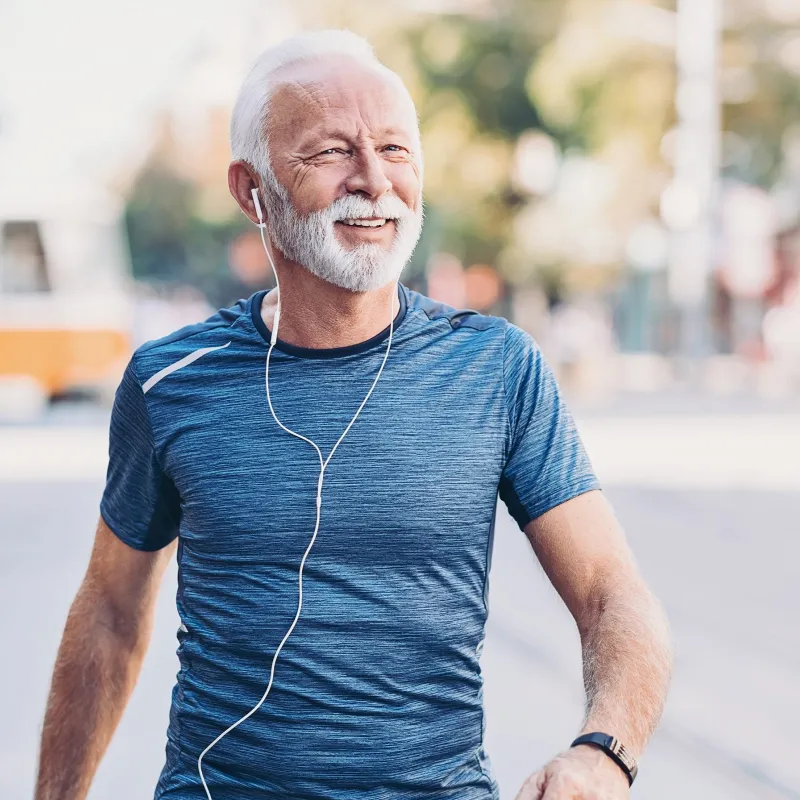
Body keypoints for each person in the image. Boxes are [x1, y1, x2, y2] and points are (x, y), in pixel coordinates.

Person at [34, 30, 672, 800]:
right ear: (252, 190)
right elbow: (108, 611)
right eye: (331, 152)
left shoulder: (498, 370)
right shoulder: (171, 381)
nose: (374, 181)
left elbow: (612, 593)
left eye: (397, 150)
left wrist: (604, 752)